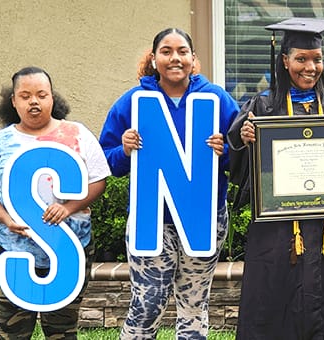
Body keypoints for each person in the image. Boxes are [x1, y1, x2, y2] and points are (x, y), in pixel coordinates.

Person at [227, 18, 324, 340]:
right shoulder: (264, 105)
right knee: (275, 299)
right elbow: (237, 156)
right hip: (279, 229)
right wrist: (244, 136)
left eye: (317, 59)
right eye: (301, 59)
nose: (311, 67)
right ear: (285, 61)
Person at [98, 27, 239, 340]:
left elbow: (244, 155)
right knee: (148, 303)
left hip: (203, 218)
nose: (175, 58)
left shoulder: (215, 98)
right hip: (153, 220)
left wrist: (225, 151)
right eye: (166, 51)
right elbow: (105, 160)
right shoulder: (134, 101)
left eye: (182, 51)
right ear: (153, 58)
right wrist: (123, 150)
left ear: (192, 58)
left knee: (193, 305)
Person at [0, 66, 110, 339]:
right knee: (12, 330)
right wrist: (6, 218)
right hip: (11, 252)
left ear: (52, 98)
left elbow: (98, 181)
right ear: (13, 101)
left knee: (62, 330)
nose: (34, 101)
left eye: (41, 94)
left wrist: (68, 208)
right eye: (25, 95)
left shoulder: (77, 134)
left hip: (69, 249)